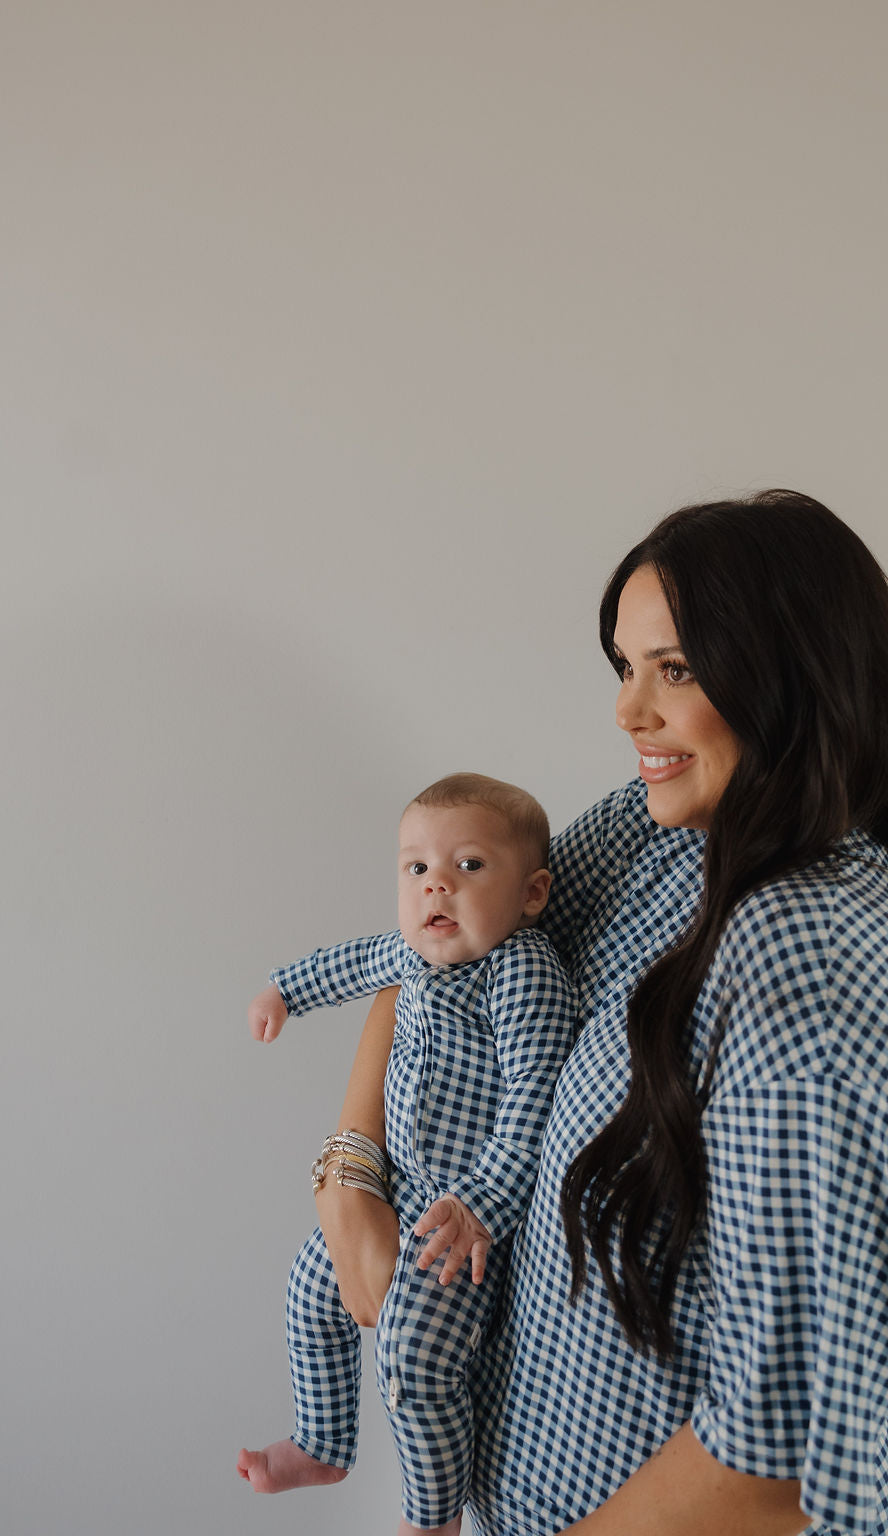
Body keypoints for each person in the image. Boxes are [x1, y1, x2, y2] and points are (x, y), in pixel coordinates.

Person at [315, 491, 888, 1535]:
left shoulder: (808, 971)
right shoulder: (656, 828)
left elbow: (783, 1456)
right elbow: (441, 947)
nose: (628, 713)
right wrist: (349, 1172)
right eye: (625, 668)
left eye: (675, 669)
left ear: (792, 675)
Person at [238, 773, 576, 1536]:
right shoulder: (411, 955)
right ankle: (322, 1440)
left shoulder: (521, 973)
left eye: (470, 866)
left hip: (463, 1224)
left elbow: (533, 1107)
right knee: (307, 1287)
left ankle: (433, 1519)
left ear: (531, 893)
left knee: (412, 1356)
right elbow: (350, 961)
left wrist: (479, 1206)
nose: (438, 886)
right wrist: (283, 992)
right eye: (417, 868)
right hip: (399, 1196)